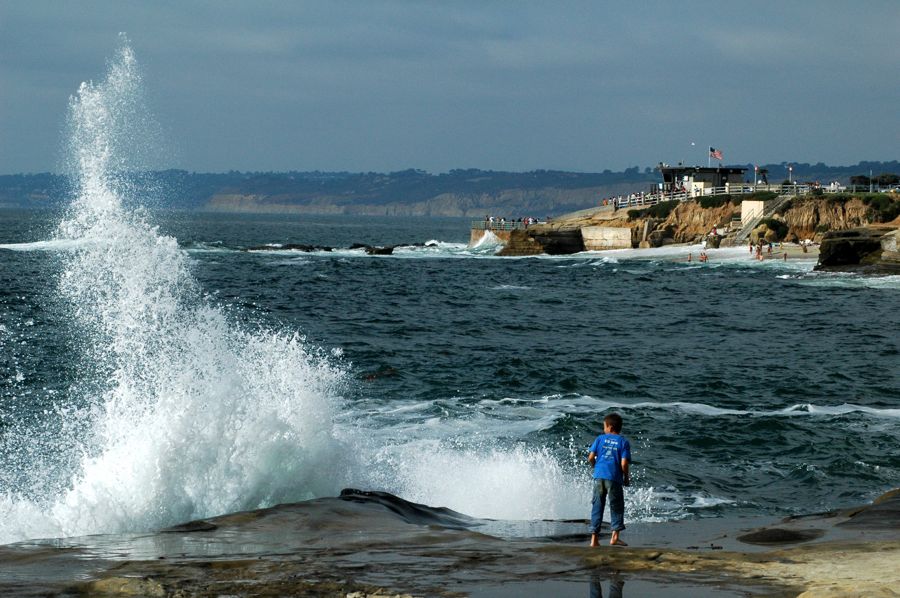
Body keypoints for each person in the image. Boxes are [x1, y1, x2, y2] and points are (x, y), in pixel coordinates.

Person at [588, 413, 632, 547]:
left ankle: (594, 540)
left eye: (604, 427)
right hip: (614, 478)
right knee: (616, 507)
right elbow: (624, 463)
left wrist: (595, 468)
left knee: (597, 506)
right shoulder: (623, 442)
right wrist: (626, 477)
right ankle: (614, 537)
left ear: (610, 427)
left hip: (599, 477)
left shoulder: (600, 439)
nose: (604, 429)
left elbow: (590, 457)